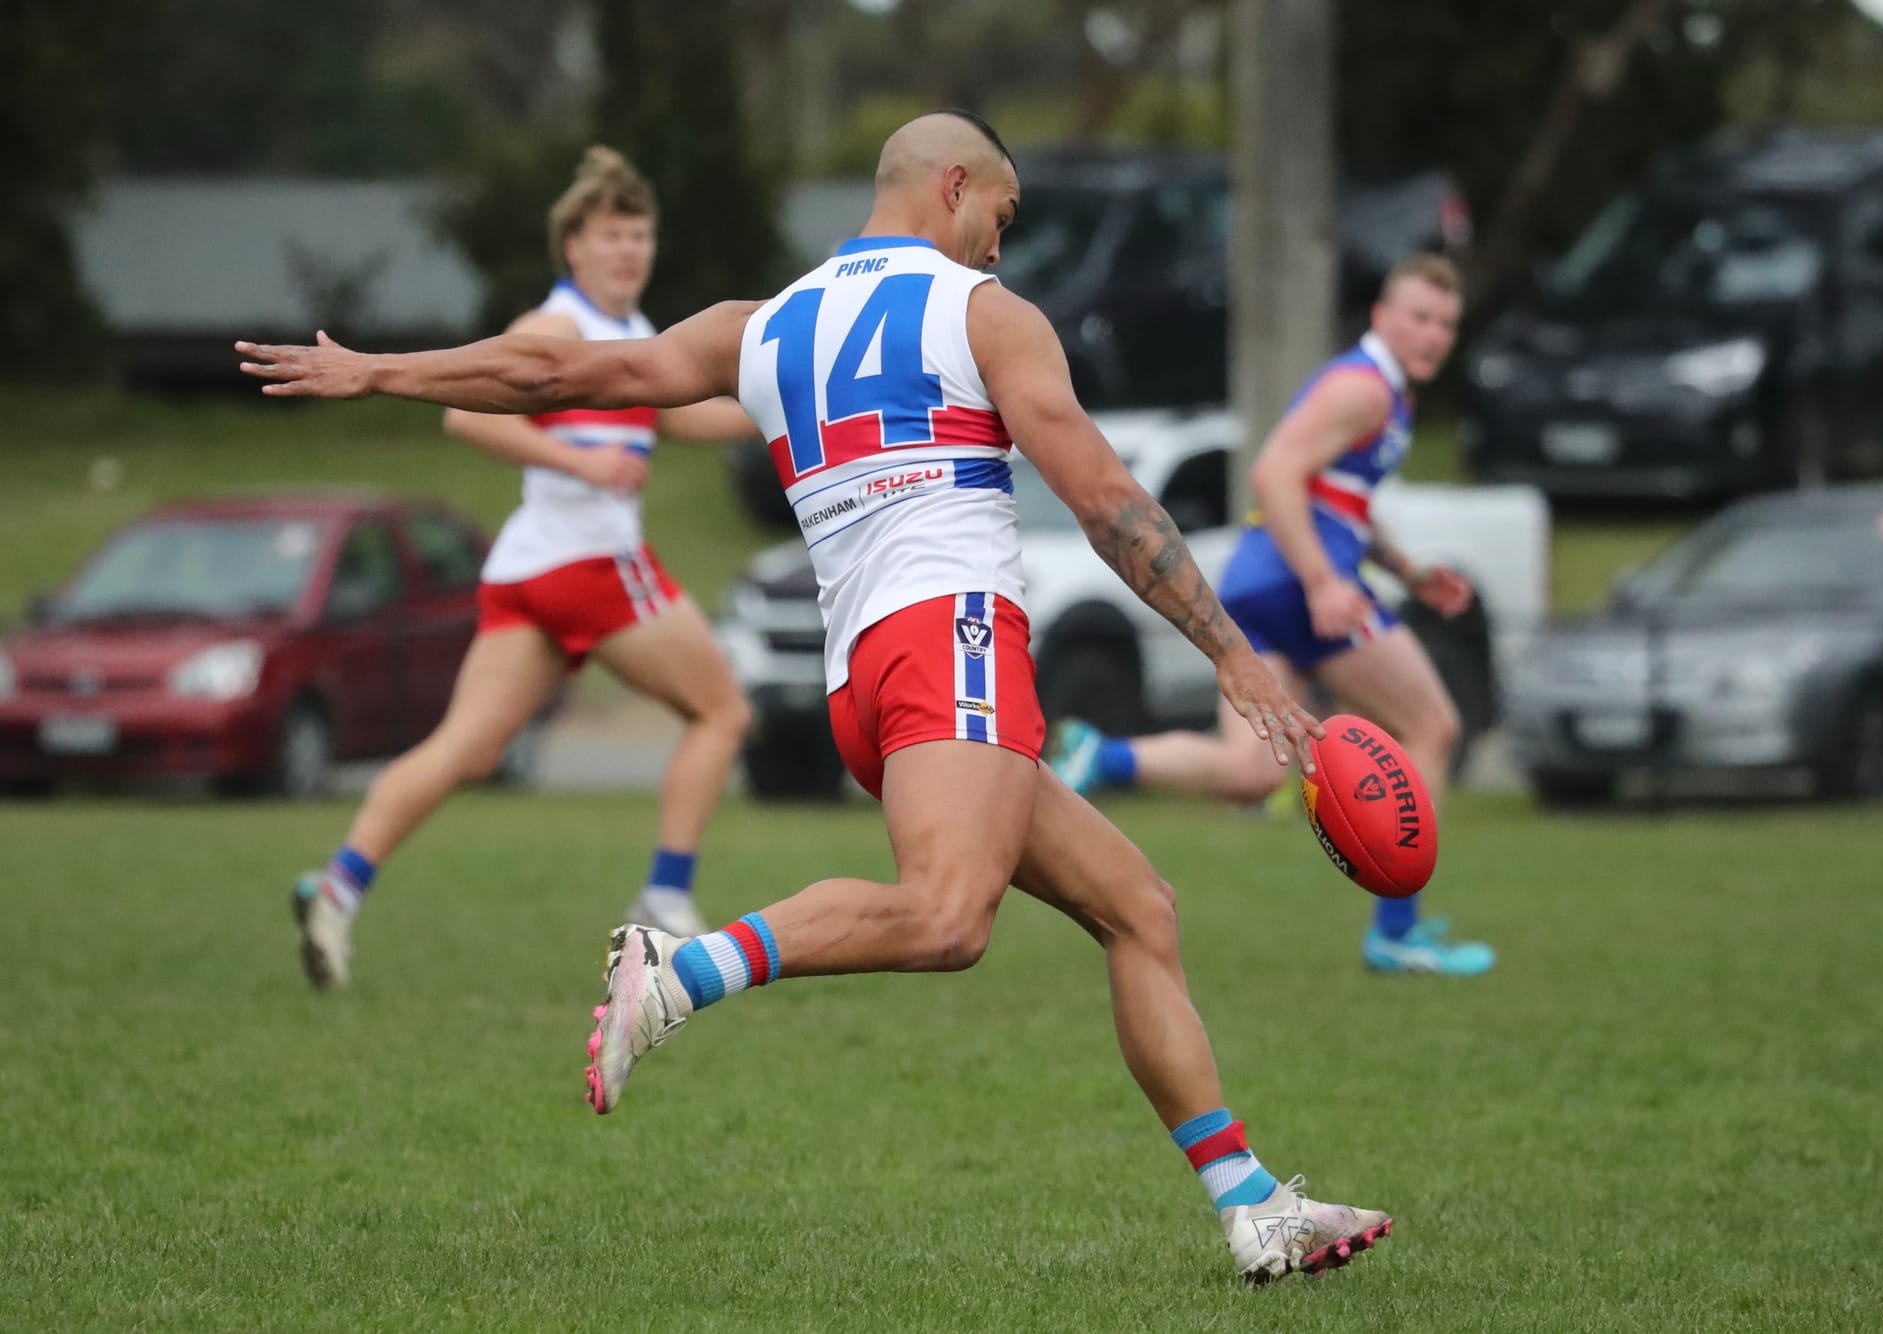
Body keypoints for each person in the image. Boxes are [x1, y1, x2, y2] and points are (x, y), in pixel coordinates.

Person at [240, 110, 1394, 1285]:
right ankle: (679, 969)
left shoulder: (763, 323)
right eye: (1000, 215)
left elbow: (555, 371)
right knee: (947, 918)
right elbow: (1106, 500)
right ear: (952, 186)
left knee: (1137, 906)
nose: (1000, 244)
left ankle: (1250, 1204)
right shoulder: (982, 313)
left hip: (864, 681)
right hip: (949, 639)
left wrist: (377, 369)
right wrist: (1228, 650)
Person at [288, 146, 755, 990]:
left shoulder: (636, 336)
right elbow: (468, 416)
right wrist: (583, 464)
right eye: (611, 235)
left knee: (464, 750)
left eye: (640, 235)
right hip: (589, 561)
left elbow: (679, 418)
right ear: (573, 248)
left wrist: (788, 406)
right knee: (722, 710)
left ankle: (338, 886)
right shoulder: (559, 326)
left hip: (528, 570)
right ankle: (667, 896)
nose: (628, 250)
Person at [1045, 255, 1494, 976]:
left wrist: (1406, 570)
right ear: (1382, 317)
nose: (1433, 335)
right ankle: (1398, 933)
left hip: (1257, 583)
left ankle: (1103, 756)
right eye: (1419, 317)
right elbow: (1274, 473)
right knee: (1432, 726)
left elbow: (1335, 502)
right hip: (1296, 585)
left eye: (1446, 323)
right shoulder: (1363, 388)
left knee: (1254, 771)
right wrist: (1322, 581)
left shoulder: (1379, 393)